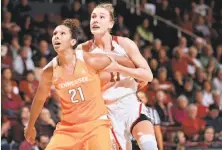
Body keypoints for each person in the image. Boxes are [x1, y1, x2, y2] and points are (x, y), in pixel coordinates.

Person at [24, 19, 135, 150]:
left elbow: (124, 61)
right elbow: (39, 99)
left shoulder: (89, 59)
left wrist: (138, 74)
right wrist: (30, 126)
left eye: (62, 33)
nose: (57, 36)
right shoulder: (49, 70)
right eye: (55, 34)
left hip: (96, 124)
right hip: (69, 128)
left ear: (72, 42)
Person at [77, 3, 157, 150]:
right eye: (93, 17)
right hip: (105, 110)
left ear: (110, 23)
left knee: (149, 145)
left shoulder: (125, 44)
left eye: (101, 17)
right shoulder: (82, 50)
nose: (95, 20)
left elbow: (148, 76)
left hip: (130, 103)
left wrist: (120, 67)